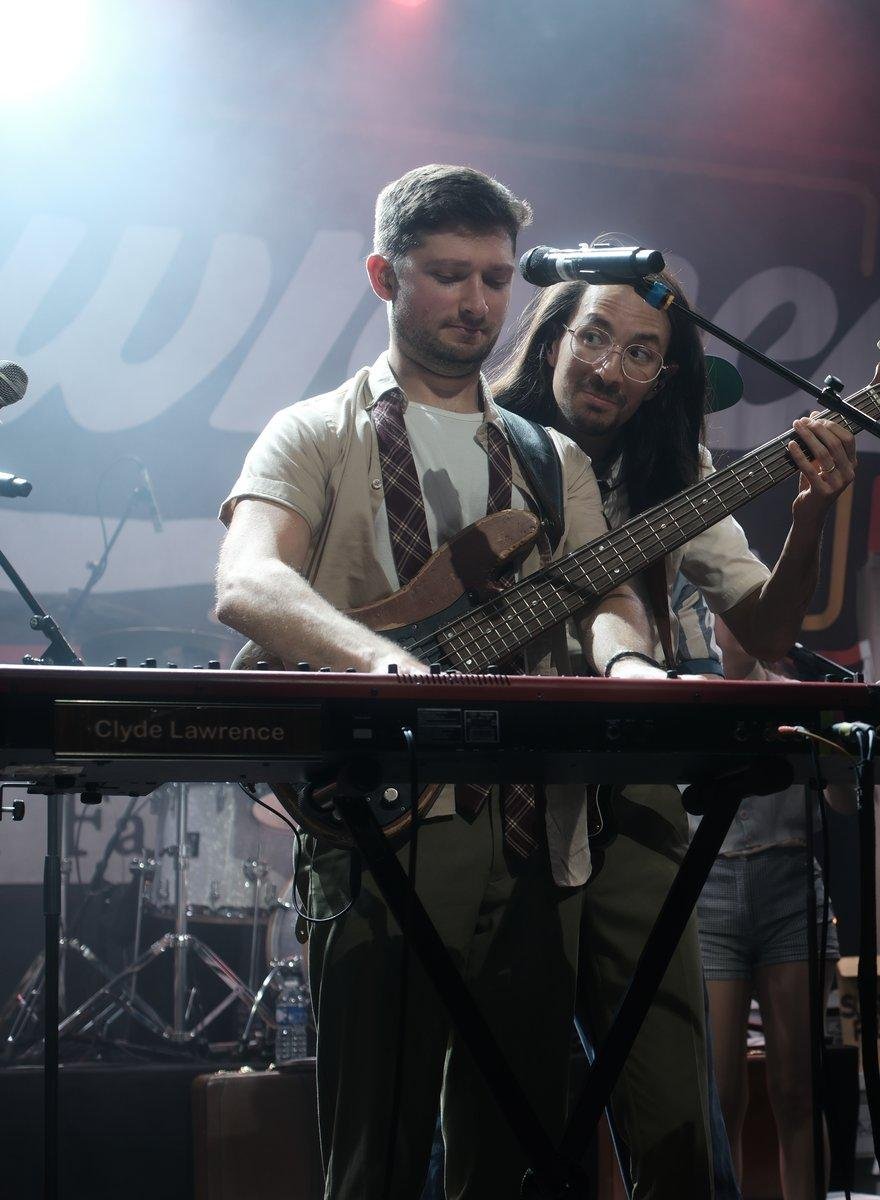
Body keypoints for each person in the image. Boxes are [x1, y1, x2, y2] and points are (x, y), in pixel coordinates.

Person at [212, 165, 663, 1199]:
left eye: (497, 278)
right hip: (386, 825)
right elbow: (246, 582)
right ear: (384, 275)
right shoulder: (313, 430)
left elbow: (604, 597)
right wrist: (388, 667)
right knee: (374, 1154)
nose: (478, 303)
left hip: (534, 827)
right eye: (449, 275)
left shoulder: (552, 459)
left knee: (514, 1160)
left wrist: (626, 651)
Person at [490, 269, 856, 1196]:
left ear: (663, 376)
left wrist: (810, 518)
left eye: (643, 352)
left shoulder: (675, 475)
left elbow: (768, 630)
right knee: (499, 1104)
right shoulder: (480, 435)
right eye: (595, 338)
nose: (613, 367)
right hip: (490, 788)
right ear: (552, 339)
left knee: (678, 1111)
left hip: (628, 789)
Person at [701, 620, 846, 1199]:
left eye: (746, 612)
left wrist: (837, 741)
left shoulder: (795, 698)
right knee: (720, 1095)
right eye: (721, 611)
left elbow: (844, 803)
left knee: (797, 1089)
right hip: (709, 887)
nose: (728, 625)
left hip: (789, 883)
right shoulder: (688, 693)